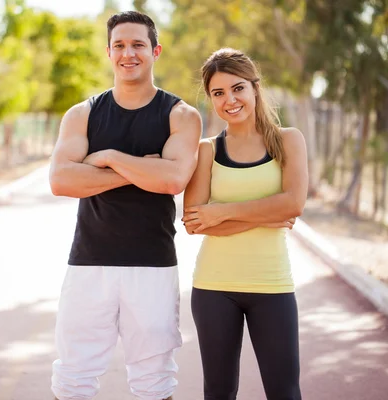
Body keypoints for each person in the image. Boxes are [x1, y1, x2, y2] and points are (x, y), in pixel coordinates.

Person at [48, 10, 202, 400]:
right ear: (108, 51)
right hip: (88, 262)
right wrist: (142, 169)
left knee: (155, 379)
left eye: (137, 45)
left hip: (152, 263)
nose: (127, 53)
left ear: (155, 51)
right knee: (72, 377)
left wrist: (109, 156)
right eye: (119, 45)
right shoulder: (82, 114)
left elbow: (171, 180)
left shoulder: (181, 116)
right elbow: (61, 180)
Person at [182, 47, 308, 400]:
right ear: (210, 99)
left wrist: (221, 211)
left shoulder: (288, 141)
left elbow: (293, 203)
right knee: (218, 392)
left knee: (285, 392)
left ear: (255, 88)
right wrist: (268, 214)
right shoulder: (207, 150)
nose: (230, 100)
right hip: (213, 287)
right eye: (218, 93)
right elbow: (194, 221)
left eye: (238, 88)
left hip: (273, 285)